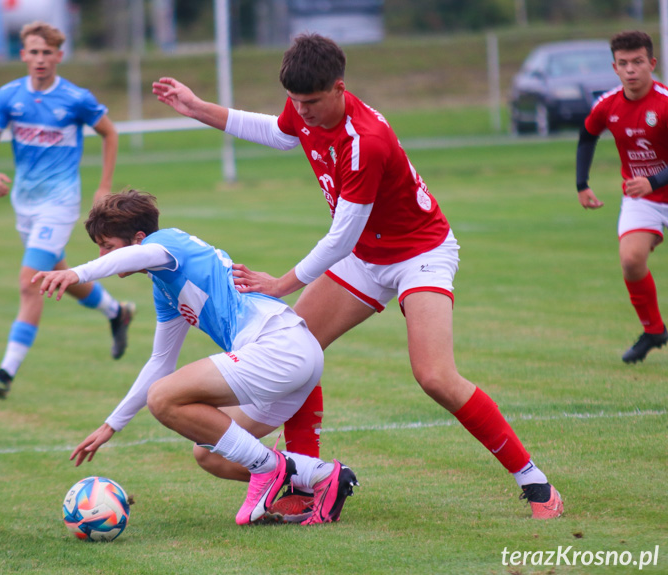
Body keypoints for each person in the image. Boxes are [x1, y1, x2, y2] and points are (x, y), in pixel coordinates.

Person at [152, 33, 563, 519]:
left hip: (419, 252)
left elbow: (340, 238)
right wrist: (199, 108)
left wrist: (282, 283)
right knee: (297, 344)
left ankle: (533, 481)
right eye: (294, 101)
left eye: (310, 102)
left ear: (339, 88)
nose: (301, 111)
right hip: (365, 257)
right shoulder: (304, 112)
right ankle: (307, 480)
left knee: (434, 376)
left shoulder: (365, 141)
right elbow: (277, 132)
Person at [34, 190, 358, 525]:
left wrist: (76, 274)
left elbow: (132, 258)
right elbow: (160, 363)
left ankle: (270, 469)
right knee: (210, 454)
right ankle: (321, 476)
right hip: (287, 356)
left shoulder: (166, 243)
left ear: (139, 240)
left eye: (108, 246)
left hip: (279, 344)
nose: (103, 255)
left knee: (163, 397)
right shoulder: (165, 286)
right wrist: (111, 425)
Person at [0, 21, 134, 399]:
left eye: (48, 53)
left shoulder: (76, 98)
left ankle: (5, 373)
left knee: (30, 282)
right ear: (23, 55)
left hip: (59, 203)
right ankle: (116, 312)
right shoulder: (8, 96)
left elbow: (109, 133)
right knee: (58, 274)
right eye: (34, 52)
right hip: (24, 204)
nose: (40, 59)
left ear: (59, 56)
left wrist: (104, 188)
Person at [576, 30, 668, 364]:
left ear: (651, 63)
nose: (631, 69)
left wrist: (654, 179)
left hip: (654, 187)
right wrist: (581, 184)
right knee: (630, 260)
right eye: (624, 63)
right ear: (615, 68)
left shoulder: (665, 102)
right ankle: (655, 330)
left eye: (638, 62)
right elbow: (587, 136)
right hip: (643, 199)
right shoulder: (608, 105)